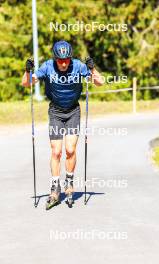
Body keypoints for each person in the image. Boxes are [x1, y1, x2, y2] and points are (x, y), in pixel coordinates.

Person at [22, 40, 103, 209]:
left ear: (71, 58)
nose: (64, 63)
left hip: (73, 111)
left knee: (70, 150)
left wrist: (92, 68)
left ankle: (69, 183)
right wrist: (27, 71)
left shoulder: (79, 66)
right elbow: (27, 83)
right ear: (55, 58)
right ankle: (55, 187)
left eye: (66, 59)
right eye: (60, 60)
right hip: (56, 112)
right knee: (56, 151)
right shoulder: (47, 67)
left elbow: (99, 82)